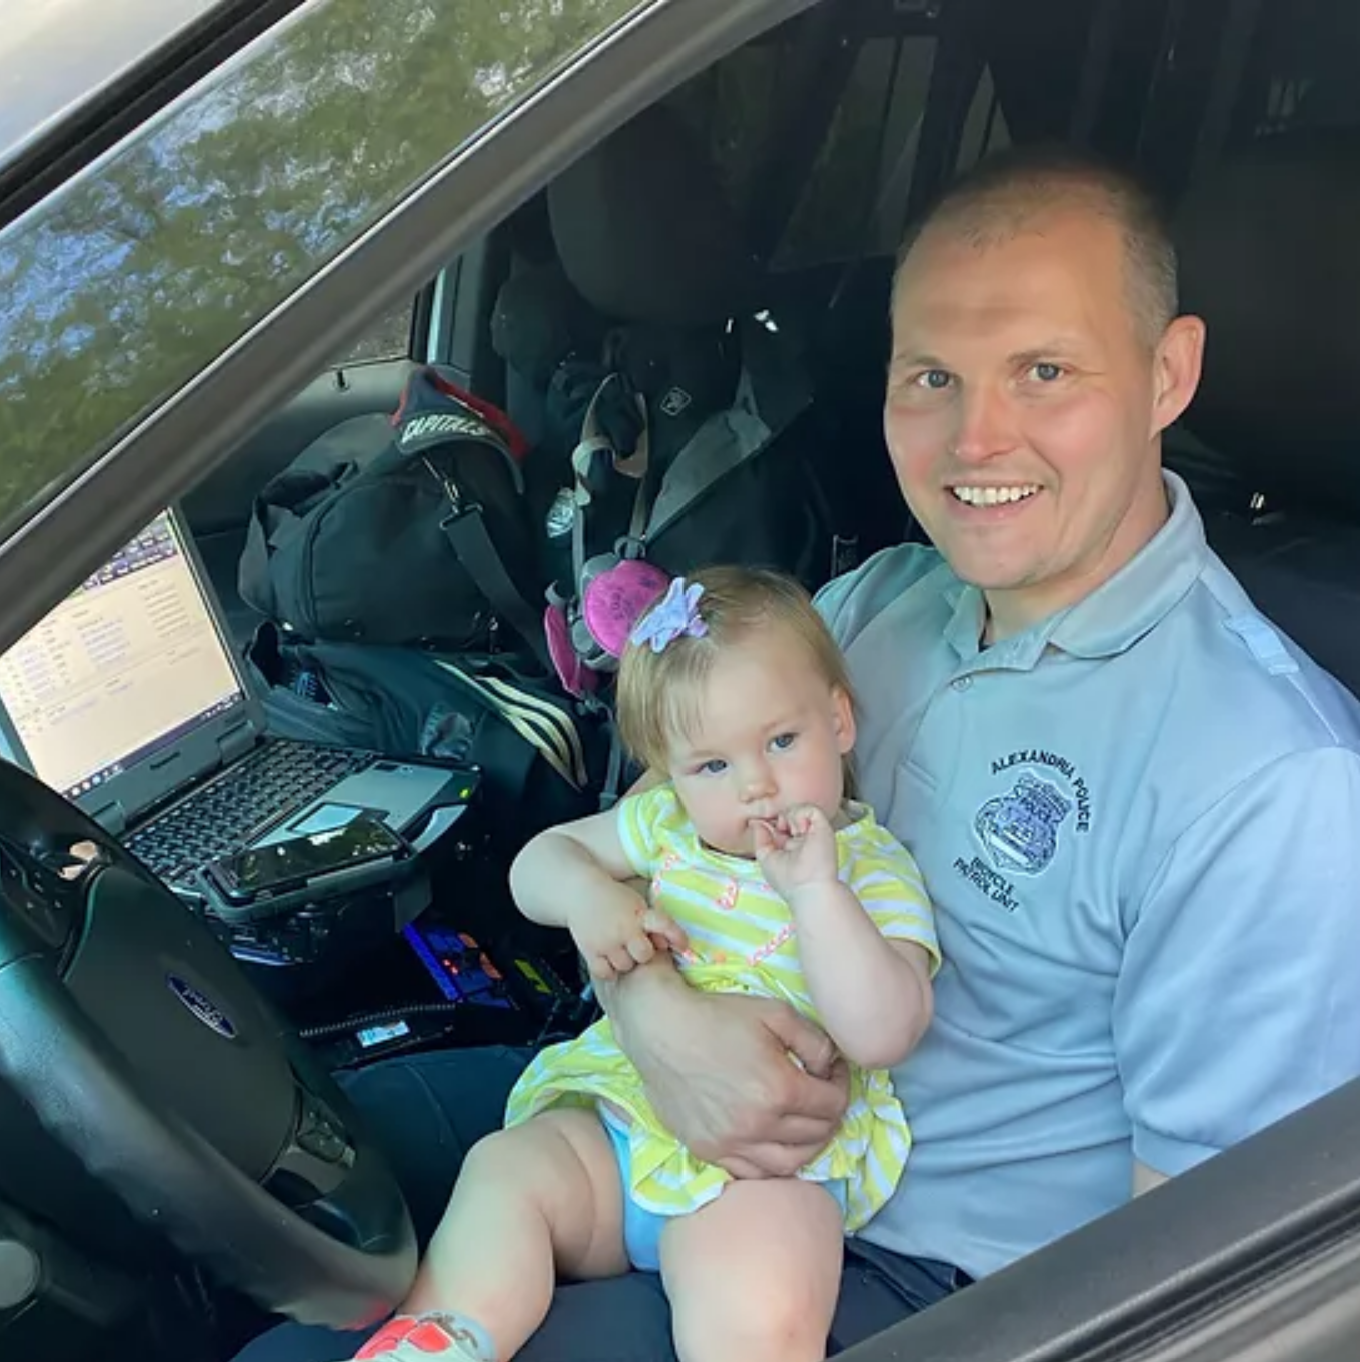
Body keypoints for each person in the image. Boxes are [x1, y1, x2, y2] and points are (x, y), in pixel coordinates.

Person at [237, 143, 1360, 1362]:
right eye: (931, 375)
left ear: (1166, 372)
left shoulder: (1264, 779)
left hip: (916, 1275)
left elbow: (1204, 1286)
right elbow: (665, 846)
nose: (976, 438)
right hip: (650, 1100)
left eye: (1044, 370)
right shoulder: (875, 604)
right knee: (267, 1157)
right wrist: (658, 1016)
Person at [350, 567, 938, 1362]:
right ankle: (445, 1339)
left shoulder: (866, 866)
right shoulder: (663, 823)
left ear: (837, 720)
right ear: (671, 769)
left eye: (781, 741)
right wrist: (590, 897)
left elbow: (885, 1030)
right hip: (622, 1118)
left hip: (766, 1170)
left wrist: (815, 893)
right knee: (506, 1172)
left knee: (758, 1314)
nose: (757, 786)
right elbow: (537, 866)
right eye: (713, 767)